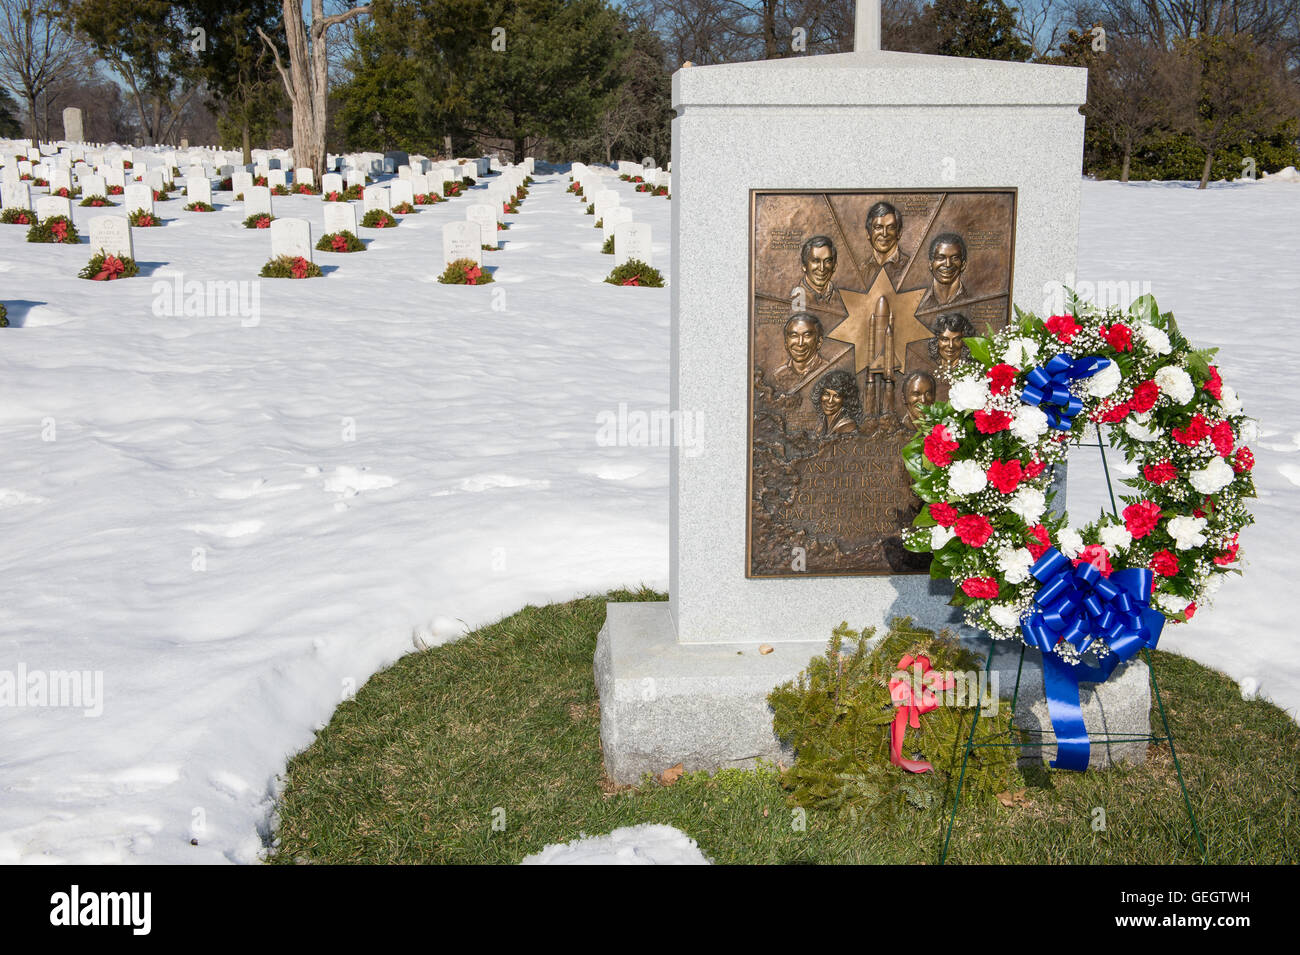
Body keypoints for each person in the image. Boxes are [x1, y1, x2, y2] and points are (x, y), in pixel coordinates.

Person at [771, 312, 830, 393]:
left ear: (819, 342)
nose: (800, 343)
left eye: (807, 335)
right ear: (786, 343)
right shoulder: (778, 376)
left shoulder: (828, 371)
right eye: (794, 335)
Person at [917, 232, 969, 313]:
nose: (948, 264)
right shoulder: (919, 304)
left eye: (954, 258)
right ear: (930, 264)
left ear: (963, 265)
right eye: (940, 258)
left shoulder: (971, 300)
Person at [863, 201, 909, 287]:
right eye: (878, 227)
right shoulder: (862, 270)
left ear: (899, 233)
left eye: (891, 227)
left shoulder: (910, 267)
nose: (884, 234)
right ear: (868, 233)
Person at [811, 369, 862, 436]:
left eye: (837, 396)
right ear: (820, 394)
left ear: (846, 399)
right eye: (826, 394)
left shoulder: (847, 427)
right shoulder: (821, 426)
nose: (830, 401)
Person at [792, 235, 838, 306]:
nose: (822, 268)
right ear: (804, 266)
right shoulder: (794, 299)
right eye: (816, 261)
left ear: (834, 266)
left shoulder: (843, 299)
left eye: (827, 261)